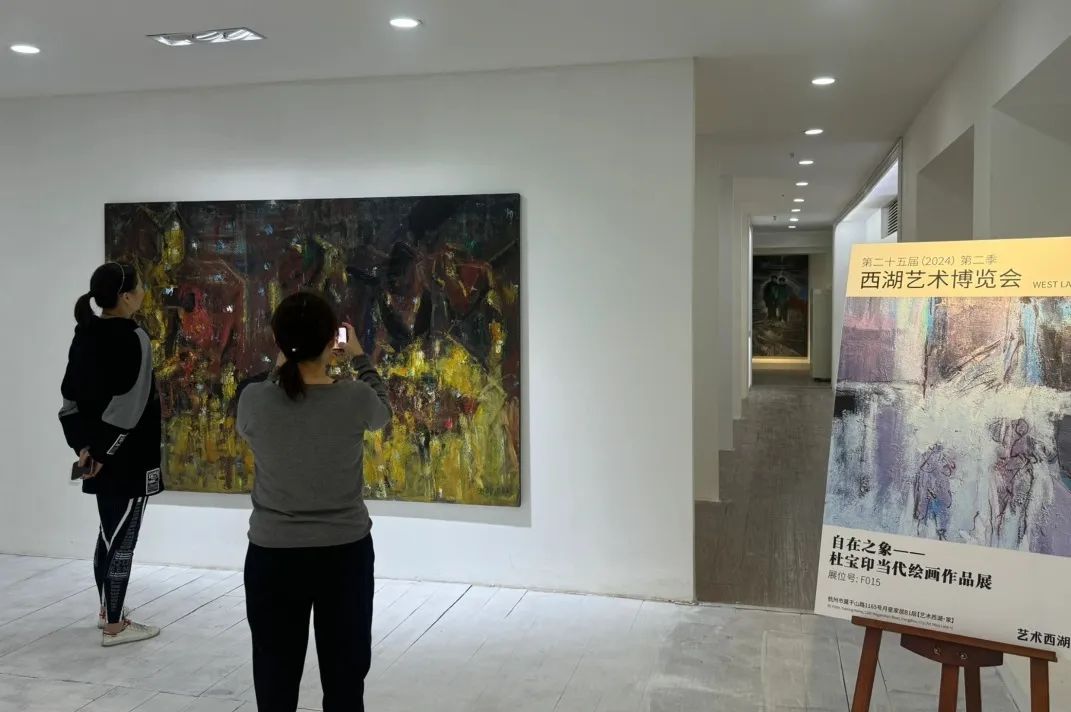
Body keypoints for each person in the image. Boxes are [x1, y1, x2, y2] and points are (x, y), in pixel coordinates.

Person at [237, 292, 392, 712]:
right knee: (345, 680)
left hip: (273, 555)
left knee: (275, 678)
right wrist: (360, 357)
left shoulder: (254, 400)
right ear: (331, 341)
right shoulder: (355, 398)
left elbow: (272, 394)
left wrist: (285, 359)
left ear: (278, 341)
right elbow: (382, 412)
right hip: (343, 555)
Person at [59, 262, 163, 647]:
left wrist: (85, 448)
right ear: (126, 296)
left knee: (108, 532)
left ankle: (108, 611)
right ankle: (115, 626)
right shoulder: (135, 337)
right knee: (122, 539)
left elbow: (69, 401)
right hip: (128, 456)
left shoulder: (85, 332)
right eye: (140, 287)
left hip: (94, 454)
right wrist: (104, 451)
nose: (144, 292)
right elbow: (130, 406)